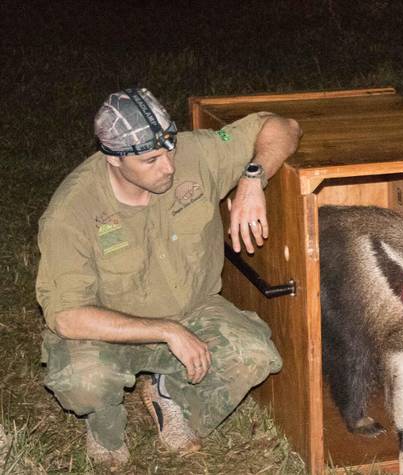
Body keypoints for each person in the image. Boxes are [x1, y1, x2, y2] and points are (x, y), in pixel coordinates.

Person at [36, 88, 301, 468]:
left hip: (192, 308)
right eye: (150, 160)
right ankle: (105, 426)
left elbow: (282, 126)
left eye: (170, 149)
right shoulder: (72, 212)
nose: (169, 167)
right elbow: (66, 316)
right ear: (113, 159)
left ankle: (169, 394)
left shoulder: (195, 154)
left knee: (254, 355)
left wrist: (252, 178)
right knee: (84, 382)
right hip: (108, 327)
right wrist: (166, 330)